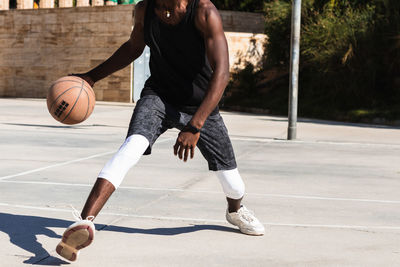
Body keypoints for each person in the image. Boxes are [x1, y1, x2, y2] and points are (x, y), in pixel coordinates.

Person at [56, 0, 265, 262]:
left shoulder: (203, 12)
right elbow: (134, 47)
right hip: (159, 96)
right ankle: (85, 223)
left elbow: (222, 74)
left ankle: (235, 210)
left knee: (233, 183)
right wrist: (92, 77)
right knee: (132, 146)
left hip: (201, 105)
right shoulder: (145, 9)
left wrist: (195, 125)